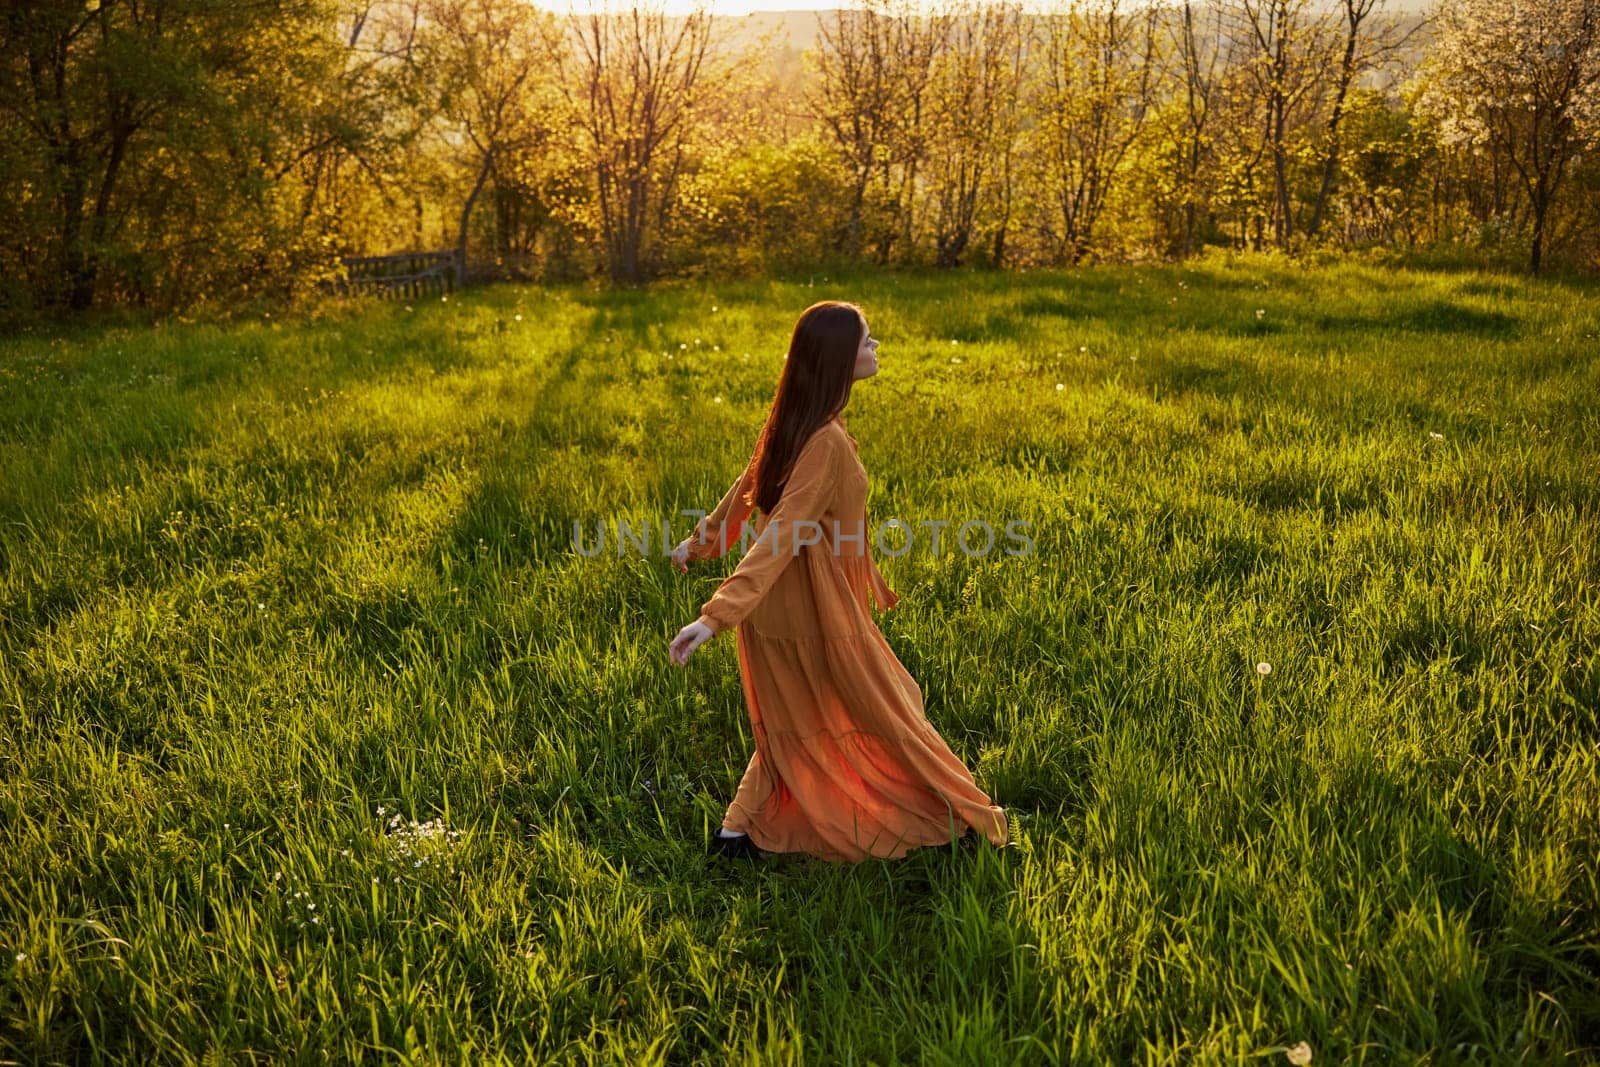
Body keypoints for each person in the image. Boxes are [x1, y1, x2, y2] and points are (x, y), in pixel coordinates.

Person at [666, 300, 1009, 863]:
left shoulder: (796, 420)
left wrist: (703, 542)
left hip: (788, 608)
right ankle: (960, 813)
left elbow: (746, 488)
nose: (876, 348)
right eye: (867, 340)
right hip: (813, 608)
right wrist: (715, 615)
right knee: (891, 708)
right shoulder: (823, 441)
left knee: (796, 717)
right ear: (836, 358)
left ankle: (736, 835)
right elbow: (780, 530)